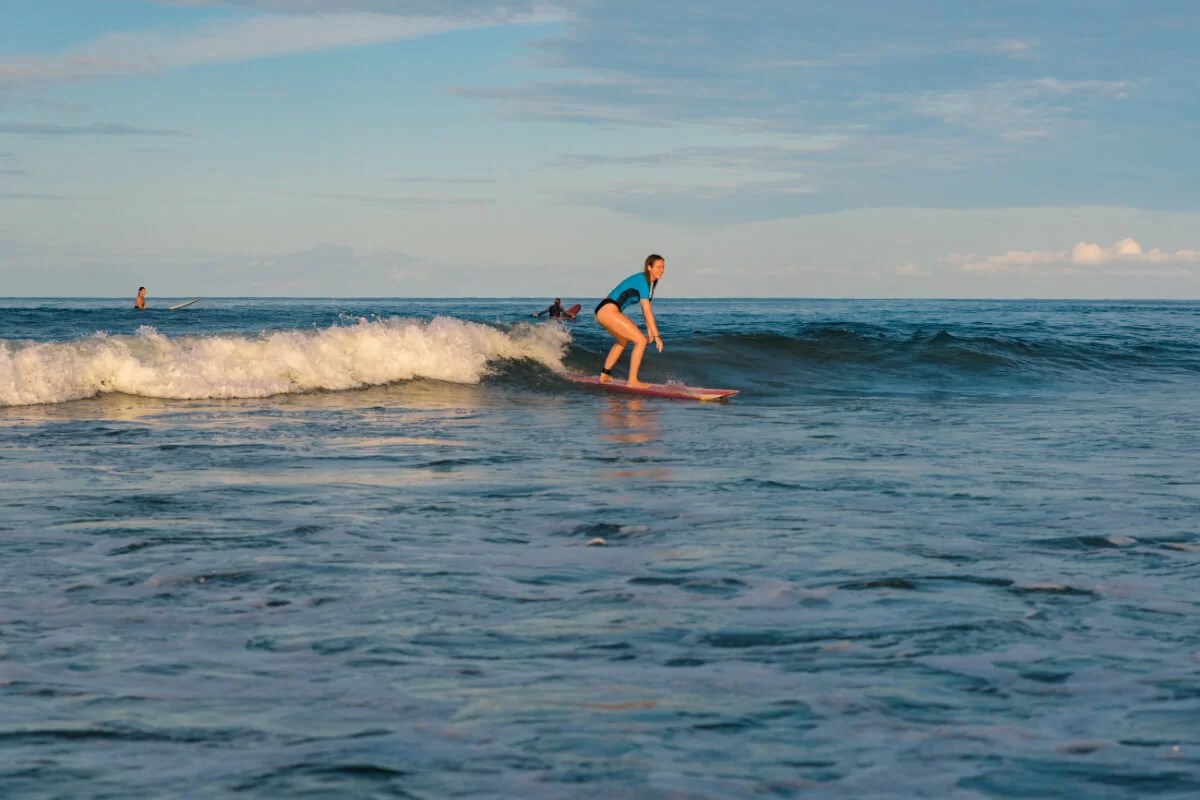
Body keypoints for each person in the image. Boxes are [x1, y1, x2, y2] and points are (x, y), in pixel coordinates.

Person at [593, 254, 665, 388]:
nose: (661, 270)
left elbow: (645, 311)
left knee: (622, 341)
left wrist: (649, 330)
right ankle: (632, 381)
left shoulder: (650, 285)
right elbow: (647, 311)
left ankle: (604, 375)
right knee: (640, 341)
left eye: (663, 267)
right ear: (649, 267)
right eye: (658, 267)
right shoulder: (643, 281)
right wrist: (657, 336)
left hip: (603, 311)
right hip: (608, 309)